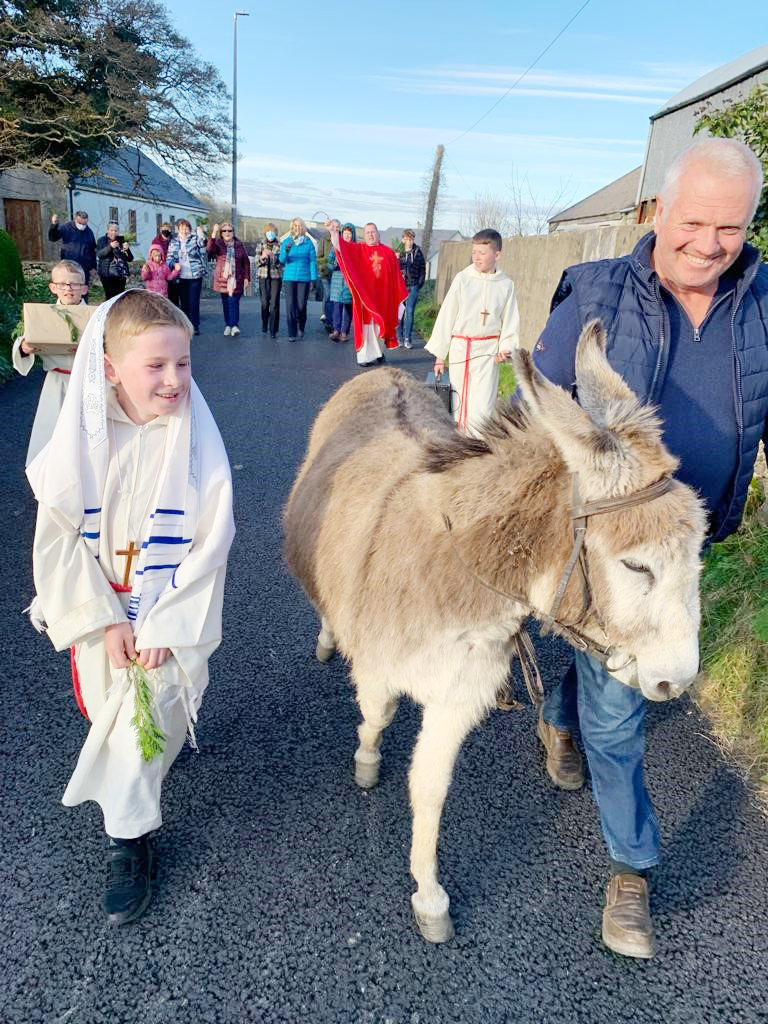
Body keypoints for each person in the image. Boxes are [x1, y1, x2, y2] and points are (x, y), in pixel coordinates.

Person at [532, 138, 768, 960]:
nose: (709, 243)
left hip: (698, 543)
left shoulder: (765, 301)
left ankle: (557, 717)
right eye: (694, 222)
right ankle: (632, 866)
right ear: (657, 213)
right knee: (617, 706)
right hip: (615, 544)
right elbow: (542, 416)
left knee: (602, 672)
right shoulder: (595, 293)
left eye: (730, 228)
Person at [26, 290, 235, 926]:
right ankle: (134, 814)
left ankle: (128, 836)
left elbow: (212, 535)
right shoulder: (86, 433)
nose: (174, 381)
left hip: (168, 607)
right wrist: (104, 617)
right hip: (104, 605)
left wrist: (167, 621)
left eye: (184, 364)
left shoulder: (195, 435)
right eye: (155, 367)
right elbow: (58, 531)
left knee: (141, 722)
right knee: (117, 712)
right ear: (111, 368)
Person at [426, 229, 519, 436]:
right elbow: (447, 316)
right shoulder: (463, 279)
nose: (476, 257)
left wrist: (505, 349)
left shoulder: (506, 285)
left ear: (497, 255)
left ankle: (477, 446)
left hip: (488, 353)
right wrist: (440, 356)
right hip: (462, 349)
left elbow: (510, 321)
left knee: (483, 407)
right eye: (474, 252)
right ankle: (460, 446)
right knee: (460, 403)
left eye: (482, 253)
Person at [12, 260, 88, 465]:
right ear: (53, 288)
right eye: (62, 284)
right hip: (57, 382)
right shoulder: (43, 315)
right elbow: (26, 337)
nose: (69, 289)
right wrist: (24, 348)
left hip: (88, 384)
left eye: (74, 284)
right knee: (52, 435)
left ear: (84, 287)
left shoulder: (97, 316)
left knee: (87, 436)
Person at [327, 220, 408, 366]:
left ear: (378, 234)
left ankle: (379, 353)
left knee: (381, 325)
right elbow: (341, 247)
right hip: (365, 298)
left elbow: (396, 277)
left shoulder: (389, 253)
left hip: (383, 297)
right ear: (364, 235)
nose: (370, 235)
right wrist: (333, 233)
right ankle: (364, 357)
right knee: (367, 327)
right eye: (367, 232)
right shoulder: (359, 249)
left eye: (373, 232)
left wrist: (398, 295)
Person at [206, 223, 251, 337]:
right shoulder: (218, 244)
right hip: (223, 279)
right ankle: (228, 325)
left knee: (234, 302)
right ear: (221, 233)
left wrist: (247, 278)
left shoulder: (239, 245)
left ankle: (234, 325)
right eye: (224, 231)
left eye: (229, 231)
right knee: (226, 303)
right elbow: (209, 250)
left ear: (233, 232)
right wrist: (213, 234)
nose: (227, 233)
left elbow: (246, 262)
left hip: (237, 279)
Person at [166, 220, 207, 335]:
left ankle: (195, 326)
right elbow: (169, 258)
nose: (184, 230)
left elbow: (202, 244)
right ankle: (185, 326)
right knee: (184, 302)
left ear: (189, 229)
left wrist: (200, 233)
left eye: (186, 228)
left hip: (195, 275)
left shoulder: (194, 239)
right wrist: (174, 264)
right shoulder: (173, 242)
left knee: (194, 302)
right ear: (178, 229)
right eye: (182, 228)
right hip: (181, 276)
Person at [279, 218, 317, 342]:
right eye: (295, 225)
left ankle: (301, 326)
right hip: (289, 278)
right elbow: (282, 261)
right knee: (290, 306)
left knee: (301, 306)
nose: (297, 228)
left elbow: (312, 261)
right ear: (292, 227)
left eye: (300, 225)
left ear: (303, 227)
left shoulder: (308, 243)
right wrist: (286, 251)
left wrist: (313, 279)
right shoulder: (287, 242)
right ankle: (292, 333)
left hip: (304, 278)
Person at [397, 229, 426, 348]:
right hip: (400, 286)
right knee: (400, 312)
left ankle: (408, 339)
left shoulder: (418, 252)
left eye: (411, 239)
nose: (409, 241)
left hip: (413, 285)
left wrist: (419, 283)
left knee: (409, 312)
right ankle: (399, 337)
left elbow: (423, 268)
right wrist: (396, 259)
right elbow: (391, 268)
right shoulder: (398, 252)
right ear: (403, 239)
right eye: (407, 239)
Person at [48, 211, 97, 282]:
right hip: (69, 265)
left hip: (84, 268)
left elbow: (92, 251)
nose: (83, 226)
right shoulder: (66, 228)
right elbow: (52, 238)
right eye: (80, 223)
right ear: (75, 220)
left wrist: (93, 267)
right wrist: (54, 225)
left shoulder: (89, 232)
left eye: (85, 224)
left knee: (83, 289)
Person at [327, 222, 355, 342]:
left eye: (349, 234)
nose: (347, 236)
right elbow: (329, 262)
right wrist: (334, 265)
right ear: (341, 234)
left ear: (352, 235)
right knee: (337, 307)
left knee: (348, 309)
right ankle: (336, 330)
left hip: (350, 281)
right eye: (345, 233)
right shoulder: (335, 246)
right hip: (338, 280)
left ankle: (345, 332)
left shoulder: (355, 248)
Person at [257, 222, 283, 338]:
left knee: (274, 304)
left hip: (275, 277)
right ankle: (264, 323)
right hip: (263, 276)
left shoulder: (280, 245)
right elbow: (256, 261)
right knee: (264, 302)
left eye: (272, 232)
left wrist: (273, 257)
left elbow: (281, 263)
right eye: (268, 231)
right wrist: (262, 257)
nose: (270, 234)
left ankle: (273, 329)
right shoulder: (261, 244)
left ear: (275, 233)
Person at [96, 222, 134, 300]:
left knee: (120, 297)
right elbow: (100, 254)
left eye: (116, 230)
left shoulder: (121, 240)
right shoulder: (102, 240)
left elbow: (130, 258)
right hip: (107, 274)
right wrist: (110, 246)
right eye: (111, 230)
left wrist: (127, 249)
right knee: (110, 297)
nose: (114, 232)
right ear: (107, 231)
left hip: (120, 274)